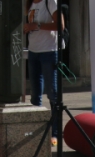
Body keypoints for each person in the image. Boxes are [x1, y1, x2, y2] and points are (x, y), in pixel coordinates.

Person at [24, 0, 63, 147]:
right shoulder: (30, 4)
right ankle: (37, 133)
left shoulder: (50, 2)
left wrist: (37, 25)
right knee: (35, 95)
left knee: (52, 93)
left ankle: (55, 133)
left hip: (49, 52)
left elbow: (60, 25)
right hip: (33, 52)